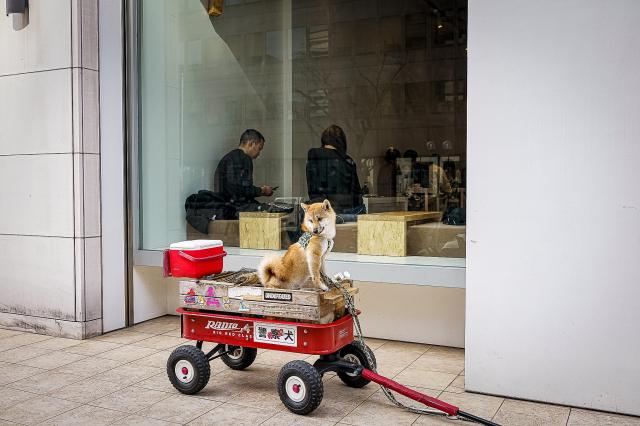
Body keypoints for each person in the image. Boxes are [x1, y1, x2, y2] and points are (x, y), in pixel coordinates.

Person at [306, 125, 365, 221]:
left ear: (324, 140)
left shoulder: (314, 155)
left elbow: (313, 190)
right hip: (348, 215)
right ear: (342, 142)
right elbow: (356, 195)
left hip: (323, 215)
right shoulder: (348, 161)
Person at [213, 129, 274, 218]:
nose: (259, 153)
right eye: (259, 148)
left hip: (223, 208)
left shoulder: (228, 157)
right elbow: (243, 190)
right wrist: (262, 191)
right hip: (235, 209)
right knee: (272, 210)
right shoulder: (245, 159)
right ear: (252, 143)